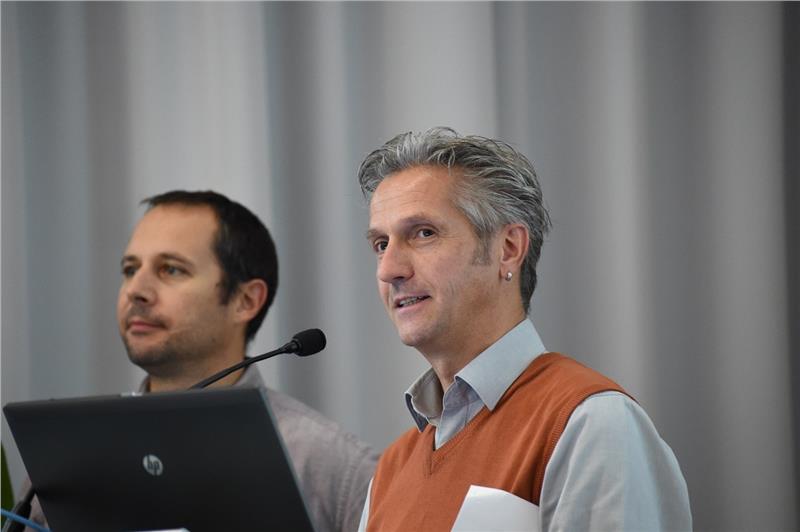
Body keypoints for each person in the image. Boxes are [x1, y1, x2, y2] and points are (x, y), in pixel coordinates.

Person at [356, 128, 691, 531]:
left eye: (424, 233)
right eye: (381, 244)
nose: (389, 269)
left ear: (508, 249)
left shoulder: (590, 423)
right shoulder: (390, 471)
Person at [27, 190, 377, 532]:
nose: (136, 290)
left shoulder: (330, 464)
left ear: (245, 300)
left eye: (171, 270)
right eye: (130, 269)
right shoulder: (69, 459)